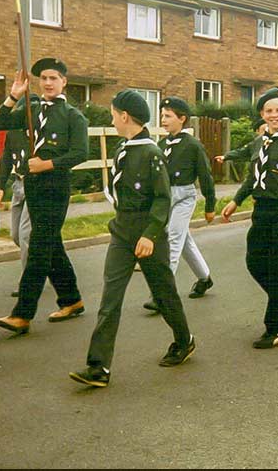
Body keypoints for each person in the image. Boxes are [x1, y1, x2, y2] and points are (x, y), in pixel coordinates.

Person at [69, 90, 195, 388]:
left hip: (147, 233)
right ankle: (98, 367)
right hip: (122, 231)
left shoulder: (151, 152)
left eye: (113, 114)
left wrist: (151, 235)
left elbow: (163, 199)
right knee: (110, 299)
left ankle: (184, 339)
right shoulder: (123, 149)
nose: (111, 119)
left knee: (164, 294)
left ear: (124, 116)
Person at [0, 58, 89, 335]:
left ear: (64, 82)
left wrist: (48, 164)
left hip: (55, 187)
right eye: (43, 78)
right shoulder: (29, 109)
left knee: (39, 246)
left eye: (53, 78)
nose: (47, 83)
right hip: (32, 187)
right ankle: (72, 299)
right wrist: (14, 94)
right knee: (51, 244)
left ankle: (22, 314)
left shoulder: (73, 116)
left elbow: (81, 153)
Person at [221, 88, 278, 349]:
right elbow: (253, 177)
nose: (274, 115)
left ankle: (274, 327)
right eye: (269, 111)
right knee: (254, 262)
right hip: (261, 210)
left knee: (277, 270)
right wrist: (235, 200)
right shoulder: (262, 141)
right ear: (262, 114)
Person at [142, 96, 215, 311]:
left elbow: (206, 176)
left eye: (168, 116)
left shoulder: (193, 145)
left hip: (184, 196)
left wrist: (210, 205)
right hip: (165, 197)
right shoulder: (162, 144)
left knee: (173, 239)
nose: (163, 120)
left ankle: (162, 294)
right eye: (162, 115)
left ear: (182, 119)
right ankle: (204, 278)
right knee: (184, 241)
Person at [0, 119, 34, 299]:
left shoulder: (42, 130)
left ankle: (28, 283)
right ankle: (42, 265)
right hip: (19, 184)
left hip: (36, 185)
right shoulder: (14, 132)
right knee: (17, 236)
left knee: (26, 235)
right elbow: (7, 159)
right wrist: (1, 186)